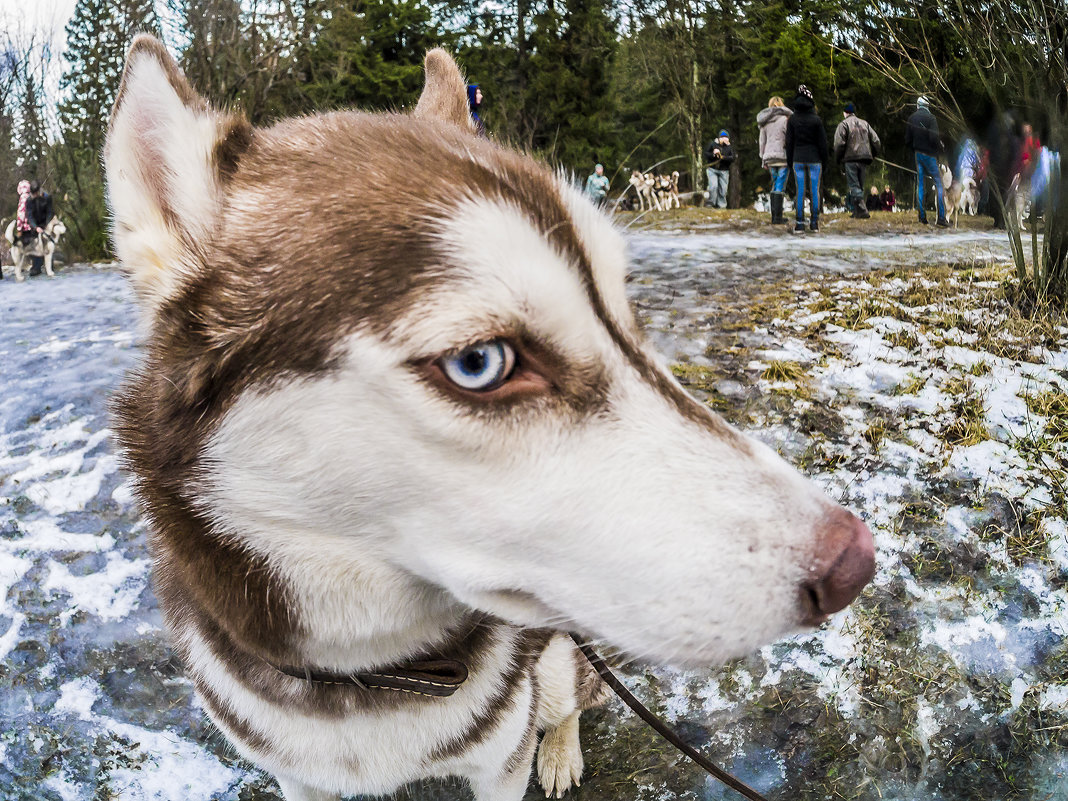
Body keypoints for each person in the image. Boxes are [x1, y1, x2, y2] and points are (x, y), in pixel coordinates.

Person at [785, 85, 828, 233]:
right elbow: (823, 143)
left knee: (800, 191)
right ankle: (814, 223)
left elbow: (789, 143)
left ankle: (799, 224)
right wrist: (825, 161)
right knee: (815, 190)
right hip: (815, 159)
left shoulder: (792, 120)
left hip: (798, 158)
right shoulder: (816, 120)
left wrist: (790, 161)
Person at [834, 103, 881, 219]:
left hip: (850, 158)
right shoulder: (865, 123)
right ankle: (857, 212)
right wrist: (872, 155)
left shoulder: (843, 124)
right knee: (860, 186)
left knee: (854, 186)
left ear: (845, 113)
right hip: (864, 158)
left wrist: (838, 159)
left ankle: (863, 211)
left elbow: (839, 144)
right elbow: (876, 141)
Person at [905, 96, 948, 226]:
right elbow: (933, 137)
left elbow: (907, 140)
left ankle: (922, 217)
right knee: (939, 185)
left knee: (921, 185)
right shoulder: (931, 118)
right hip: (930, 156)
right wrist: (939, 148)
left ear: (917, 105)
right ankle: (941, 218)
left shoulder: (911, 118)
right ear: (927, 106)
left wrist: (915, 150)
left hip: (918, 154)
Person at [757, 97, 792, 224]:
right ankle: (777, 217)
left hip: (770, 158)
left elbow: (762, 142)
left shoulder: (764, 122)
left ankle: (774, 216)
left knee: (775, 183)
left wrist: (763, 159)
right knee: (780, 185)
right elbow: (789, 139)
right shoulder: (785, 120)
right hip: (782, 157)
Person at [26, 180, 54, 275]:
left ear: (38, 191)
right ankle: (36, 268)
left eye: (35, 193)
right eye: (32, 193)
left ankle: (50, 267)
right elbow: (29, 216)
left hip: (46, 224)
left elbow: (50, 212)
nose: (33, 195)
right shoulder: (29, 200)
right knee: (36, 246)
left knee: (48, 245)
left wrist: (47, 224)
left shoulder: (47, 197)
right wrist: (35, 227)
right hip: (35, 226)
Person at [704, 129, 734, 208]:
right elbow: (706, 154)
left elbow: (732, 158)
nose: (724, 139)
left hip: (724, 171)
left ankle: (721, 206)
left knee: (723, 190)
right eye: (722, 137)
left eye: (726, 137)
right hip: (712, 170)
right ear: (719, 138)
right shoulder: (712, 144)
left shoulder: (729, 147)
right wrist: (714, 154)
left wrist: (722, 157)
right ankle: (711, 204)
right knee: (713, 186)